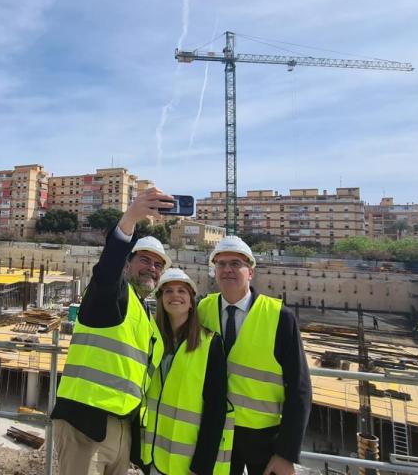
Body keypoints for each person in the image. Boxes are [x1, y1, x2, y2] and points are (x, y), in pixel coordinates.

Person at [51, 188, 173, 475]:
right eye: (144, 260)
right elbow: (107, 270)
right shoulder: (110, 296)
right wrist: (130, 218)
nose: (152, 268)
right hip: (86, 426)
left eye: (158, 265)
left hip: (123, 428)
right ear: (127, 264)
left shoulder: (145, 315)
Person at [197, 235, 312, 475]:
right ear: (214, 271)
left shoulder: (279, 316)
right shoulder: (203, 310)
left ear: (250, 271)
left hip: (264, 438)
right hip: (217, 431)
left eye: (236, 264)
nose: (227, 269)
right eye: (221, 264)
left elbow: (300, 388)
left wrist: (286, 454)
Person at [140, 267, 233, 475]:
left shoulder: (210, 344)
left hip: (188, 465)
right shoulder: (152, 340)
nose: (175, 296)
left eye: (182, 291)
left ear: (191, 302)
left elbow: (215, 411)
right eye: (168, 291)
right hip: (153, 459)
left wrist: (201, 466)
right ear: (161, 299)